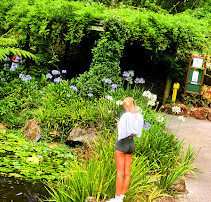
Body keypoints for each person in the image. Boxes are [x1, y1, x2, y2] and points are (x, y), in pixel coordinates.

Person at [107, 97, 144, 202]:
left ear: (127, 105)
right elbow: (138, 133)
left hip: (122, 144)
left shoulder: (125, 116)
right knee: (127, 173)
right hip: (131, 144)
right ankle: (121, 198)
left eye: (124, 106)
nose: (125, 108)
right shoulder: (140, 116)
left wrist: (119, 125)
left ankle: (116, 198)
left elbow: (121, 133)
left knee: (120, 173)